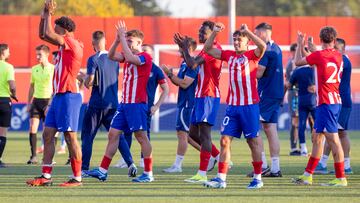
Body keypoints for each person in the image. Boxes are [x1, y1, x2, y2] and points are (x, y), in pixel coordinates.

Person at [87, 20, 154, 183]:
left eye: (131, 41)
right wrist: (117, 39)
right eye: (127, 40)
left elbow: (131, 58)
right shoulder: (127, 55)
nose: (128, 43)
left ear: (139, 42)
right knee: (113, 134)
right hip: (124, 104)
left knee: (141, 137)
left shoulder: (145, 56)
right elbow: (110, 56)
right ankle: (103, 171)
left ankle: (148, 173)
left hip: (137, 104)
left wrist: (122, 39)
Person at [26, 1, 84, 187]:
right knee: (48, 134)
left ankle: (77, 178)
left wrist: (49, 14)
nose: (54, 33)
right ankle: (46, 176)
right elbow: (43, 34)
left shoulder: (71, 43)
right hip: (58, 96)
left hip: (69, 96)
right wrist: (44, 14)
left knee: (70, 137)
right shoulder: (63, 45)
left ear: (64, 32)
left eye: (57, 30)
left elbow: (48, 34)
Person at [202, 23, 266, 189]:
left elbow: (262, 45)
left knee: (252, 142)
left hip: (249, 106)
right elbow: (208, 49)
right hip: (232, 106)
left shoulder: (253, 55)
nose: (237, 42)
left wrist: (248, 32)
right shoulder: (228, 55)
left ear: (247, 42)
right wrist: (215, 32)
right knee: (224, 140)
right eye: (235, 39)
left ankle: (258, 178)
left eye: (240, 39)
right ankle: (221, 178)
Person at [292, 27, 347, 186]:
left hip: (326, 103)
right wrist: (305, 48)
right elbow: (314, 58)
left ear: (320, 39)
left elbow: (298, 62)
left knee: (334, 140)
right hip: (333, 101)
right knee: (317, 138)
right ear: (335, 41)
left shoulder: (319, 56)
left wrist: (299, 44)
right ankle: (308, 175)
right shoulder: (338, 55)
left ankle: (341, 178)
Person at [80, 30, 137, 177]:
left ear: (93, 44)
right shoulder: (115, 58)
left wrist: (82, 78)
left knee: (88, 136)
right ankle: (130, 163)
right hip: (113, 104)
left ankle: (84, 169)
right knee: (118, 136)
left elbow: (91, 81)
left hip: (96, 104)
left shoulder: (93, 59)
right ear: (105, 42)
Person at [175, 20, 222, 183]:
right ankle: (217, 156)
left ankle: (202, 174)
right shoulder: (205, 49)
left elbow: (192, 64)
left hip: (209, 95)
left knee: (205, 134)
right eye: (199, 32)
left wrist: (185, 49)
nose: (200, 34)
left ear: (212, 34)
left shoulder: (213, 50)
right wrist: (185, 49)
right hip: (201, 96)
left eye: (204, 32)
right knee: (193, 133)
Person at [114, 44, 169, 169]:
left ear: (152, 55)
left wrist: (156, 106)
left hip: (146, 107)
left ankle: (144, 161)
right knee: (125, 132)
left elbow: (165, 89)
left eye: (146, 51)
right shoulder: (134, 66)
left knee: (144, 135)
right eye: (142, 50)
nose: (143, 53)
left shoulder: (155, 70)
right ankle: (125, 158)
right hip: (131, 104)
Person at [250, 22, 284, 177]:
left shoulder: (267, 50)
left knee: (252, 126)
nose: (255, 37)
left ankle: (262, 165)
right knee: (271, 129)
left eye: (257, 34)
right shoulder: (276, 47)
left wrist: (245, 69)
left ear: (264, 32)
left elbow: (258, 74)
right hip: (276, 93)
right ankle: (275, 168)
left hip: (266, 94)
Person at [161, 36, 200, 173]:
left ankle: (177, 166)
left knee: (183, 134)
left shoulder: (193, 64)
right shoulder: (185, 64)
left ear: (187, 49)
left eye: (181, 47)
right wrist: (172, 75)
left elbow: (184, 84)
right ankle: (214, 156)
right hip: (184, 102)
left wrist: (169, 75)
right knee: (186, 135)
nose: (179, 50)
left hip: (188, 104)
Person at [315, 38, 353, 175]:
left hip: (341, 101)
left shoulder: (344, 61)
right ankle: (324, 163)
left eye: (338, 48)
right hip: (337, 101)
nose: (334, 50)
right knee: (334, 132)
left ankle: (342, 166)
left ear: (343, 49)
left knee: (337, 133)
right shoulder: (338, 59)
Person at [26, 45, 54, 165]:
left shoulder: (53, 68)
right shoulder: (34, 69)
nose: (38, 57)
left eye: (40, 55)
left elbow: (56, 86)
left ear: (47, 55)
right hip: (36, 101)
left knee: (50, 131)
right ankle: (33, 156)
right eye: (37, 54)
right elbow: (31, 87)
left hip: (48, 101)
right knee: (32, 128)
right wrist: (28, 103)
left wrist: (52, 103)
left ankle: (48, 158)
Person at [286, 64, 316, 157]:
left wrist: (296, 85)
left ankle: (303, 149)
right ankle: (319, 148)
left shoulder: (297, 70)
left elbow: (289, 85)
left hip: (302, 100)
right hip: (314, 100)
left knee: (301, 125)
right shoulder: (314, 69)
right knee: (317, 124)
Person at [0, 43, 17, 168]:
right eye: (8, 51)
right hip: (4, 101)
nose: (9, 53)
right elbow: (12, 85)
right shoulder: (8, 67)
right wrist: (14, 94)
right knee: (2, 132)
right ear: (3, 53)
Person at [285, 43, 300, 156]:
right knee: (295, 120)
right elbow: (288, 83)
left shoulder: (303, 62)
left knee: (307, 120)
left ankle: (303, 146)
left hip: (305, 95)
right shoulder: (291, 64)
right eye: (295, 51)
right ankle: (294, 147)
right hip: (294, 93)